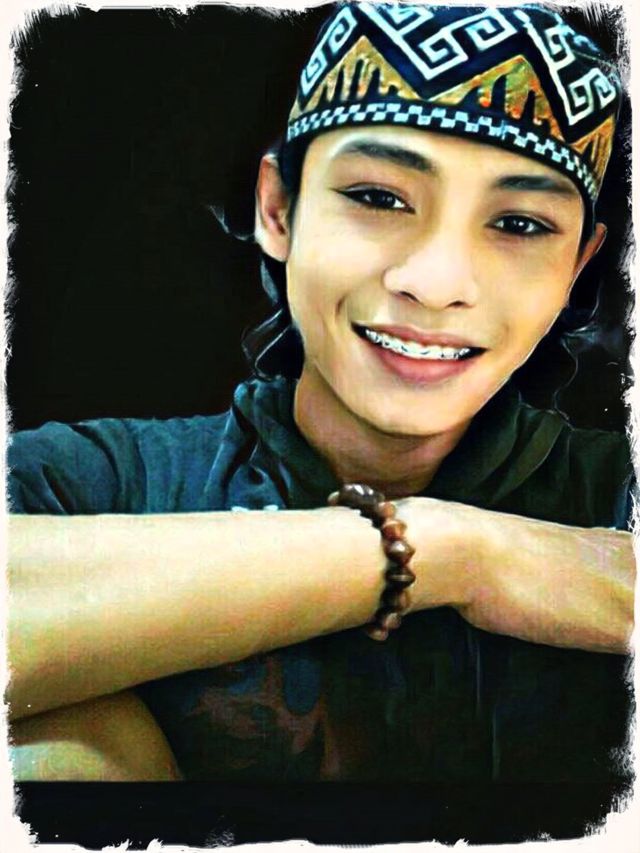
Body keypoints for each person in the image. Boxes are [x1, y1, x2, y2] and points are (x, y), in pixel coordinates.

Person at [7, 0, 634, 824]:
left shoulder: (617, 498)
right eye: (377, 196)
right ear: (278, 210)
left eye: (519, 223)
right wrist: (456, 552)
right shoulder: (84, 486)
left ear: (577, 265)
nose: (436, 282)